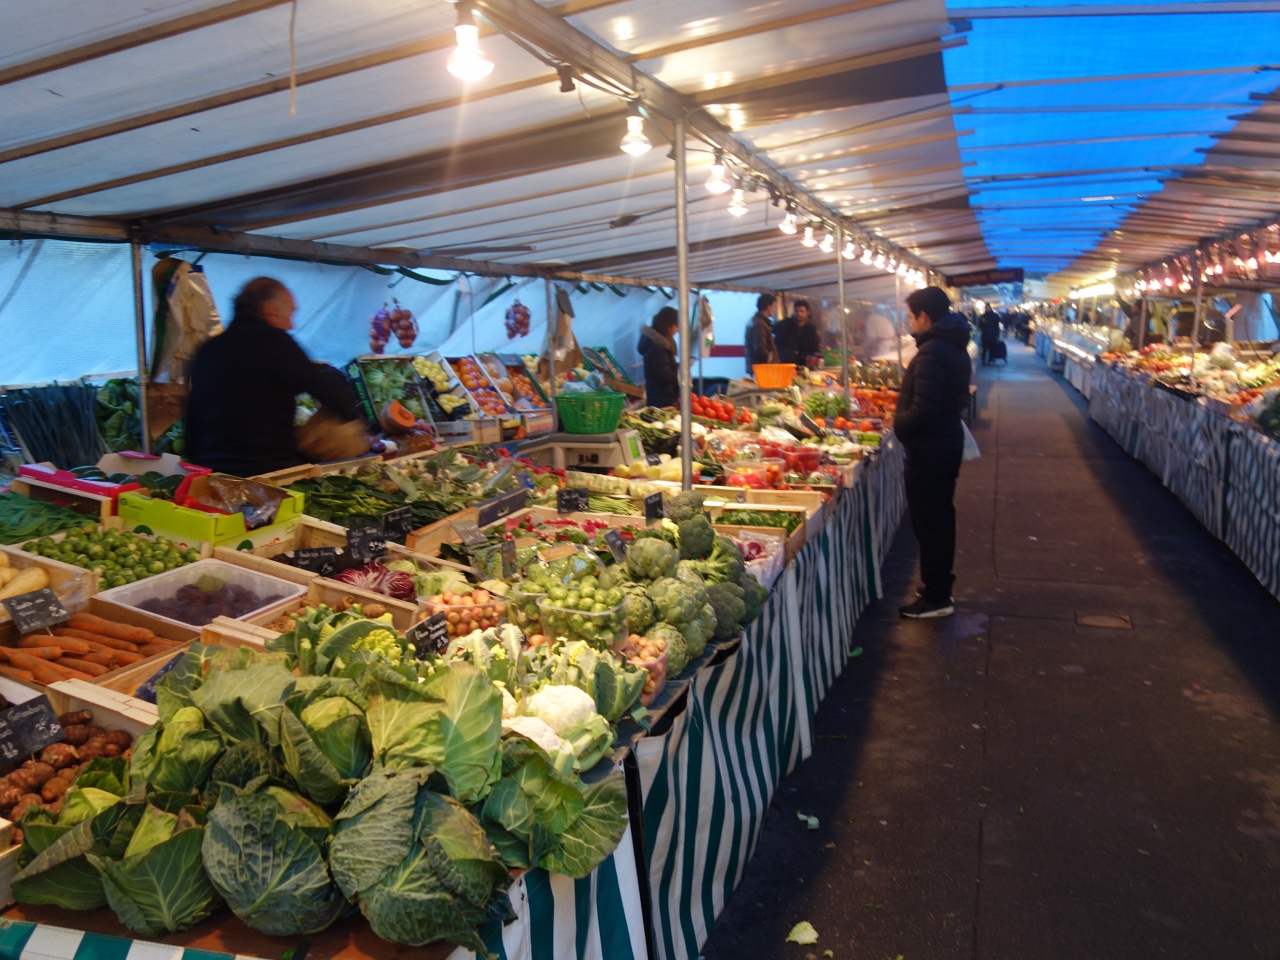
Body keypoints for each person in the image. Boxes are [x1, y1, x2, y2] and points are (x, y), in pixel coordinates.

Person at [185, 277, 365, 477]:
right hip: (268, 475)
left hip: (213, 474)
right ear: (270, 310)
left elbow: (192, 426)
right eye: (290, 314)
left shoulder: (208, 350)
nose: (291, 325)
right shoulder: (275, 342)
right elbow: (327, 390)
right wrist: (354, 422)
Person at [894, 286, 972, 619]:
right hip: (944, 443)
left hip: (931, 449)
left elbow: (924, 409)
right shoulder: (953, 346)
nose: (909, 323)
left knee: (932, 523)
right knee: (938, 520)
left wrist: (899, 425)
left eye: (911, 316)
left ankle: (937, 597)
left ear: (924, 317)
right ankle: (937, 587)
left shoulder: (931, 353)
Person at [638, 306, 680, 408]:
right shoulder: (659, 347)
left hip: (658, 397)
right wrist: (680, 369)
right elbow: (663, 376)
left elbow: (664, 368)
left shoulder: (657, 343)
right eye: (676, 326)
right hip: (661, 400)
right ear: (669, 325)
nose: (677, 330)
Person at [774, 299, 822, 367]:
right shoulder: (785, 324)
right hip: (786, 364)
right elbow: (774, 337)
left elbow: (815, 349)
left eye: (802, 311)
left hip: (804, 365)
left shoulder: (811, 329)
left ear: (807, 313)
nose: (798, 313)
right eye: (796, 311)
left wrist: (811, 356)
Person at [744, 293, 780, 374]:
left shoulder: (756, 321)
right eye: (774, 306)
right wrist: (772, 359)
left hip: (757, 367)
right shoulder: (760, 324)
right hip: (761, 369)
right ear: (768, 307)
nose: (774, 309)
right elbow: (760, 348)